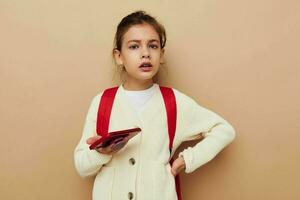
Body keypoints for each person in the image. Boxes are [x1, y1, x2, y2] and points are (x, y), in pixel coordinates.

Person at [74, 10, 236, 200]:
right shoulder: (103, 102)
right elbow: (81, 166)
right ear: (119, 57)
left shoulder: (173, 101)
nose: (145, 54)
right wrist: (102, 153)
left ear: (161, 54)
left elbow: (224, 130)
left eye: (153, 46)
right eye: (134, 47)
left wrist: (187, 159)